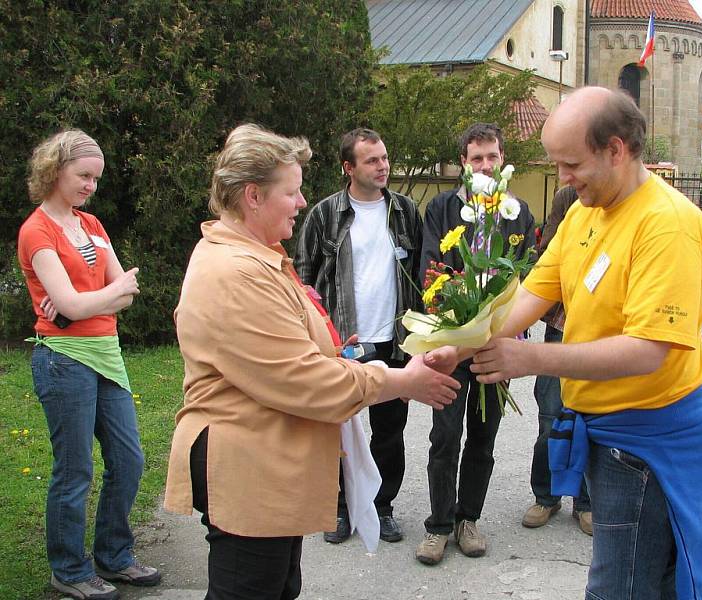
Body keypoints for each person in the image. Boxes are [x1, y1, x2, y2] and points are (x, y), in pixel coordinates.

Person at [428, 88, 702, 599]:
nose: (562, 177)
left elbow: (647, 349)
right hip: (608, 435)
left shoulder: (666, 224)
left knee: (623, 586)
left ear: (616, 149)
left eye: (571, 163)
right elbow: (530, 294)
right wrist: (457, 346)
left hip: (649, 445)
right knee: (629, 579)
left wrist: (529, 357)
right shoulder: (587, 212)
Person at [163, 124, 459, 600]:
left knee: (279, 586)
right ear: (254, 196)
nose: (302, 203)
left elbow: (277, 353)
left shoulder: (255, 255)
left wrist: (336, 351)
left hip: (265, 466)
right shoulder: (237, 271)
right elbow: (302, 380)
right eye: (293, 192)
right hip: (247, 471)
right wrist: (402, 380)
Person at [17, 130, 160, 600]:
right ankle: (69, 569)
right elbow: (74, 303)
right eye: (83, 176)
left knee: (128, 460)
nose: (90, 187)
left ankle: (114, 556)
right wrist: (90, 301)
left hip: (106, 356)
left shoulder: (93, 225)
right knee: (75, 469)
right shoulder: (37, 231)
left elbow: (125, 291)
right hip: (63, 360)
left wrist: (85, 302)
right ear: (54, 170)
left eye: (95, 179)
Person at [415, 123, 535, 566]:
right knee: (444, 436)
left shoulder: (517, 211)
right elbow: (432, 269)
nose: (486, 165)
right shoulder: (442, 210)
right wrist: (458, 317)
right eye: (477, 158)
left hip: (495, 344)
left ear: (502, 160)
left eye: (493, 157)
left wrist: (500, 324)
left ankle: (469, 519)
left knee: (483, 436)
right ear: (464, 163)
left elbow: (525, 274)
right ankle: (439, 526)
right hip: (452, 342)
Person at [294, 128, 422, 544]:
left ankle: (381, 507)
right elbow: (303, 279)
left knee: (390, 431)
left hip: (393, 341)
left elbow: (420, 279)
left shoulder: (404, 211)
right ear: (348, 167)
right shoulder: (324, 214)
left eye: (384, 158)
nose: (383, 166)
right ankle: (341, 508)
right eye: (371, 160)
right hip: (342, 343)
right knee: (337, 430)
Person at [522, 185, 592, 537]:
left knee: (591, 418)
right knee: (550, 417)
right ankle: (546, 496)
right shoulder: (567, 201)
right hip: (561, 328)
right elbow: (541, 265)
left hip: (599, 334)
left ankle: (586, 503)